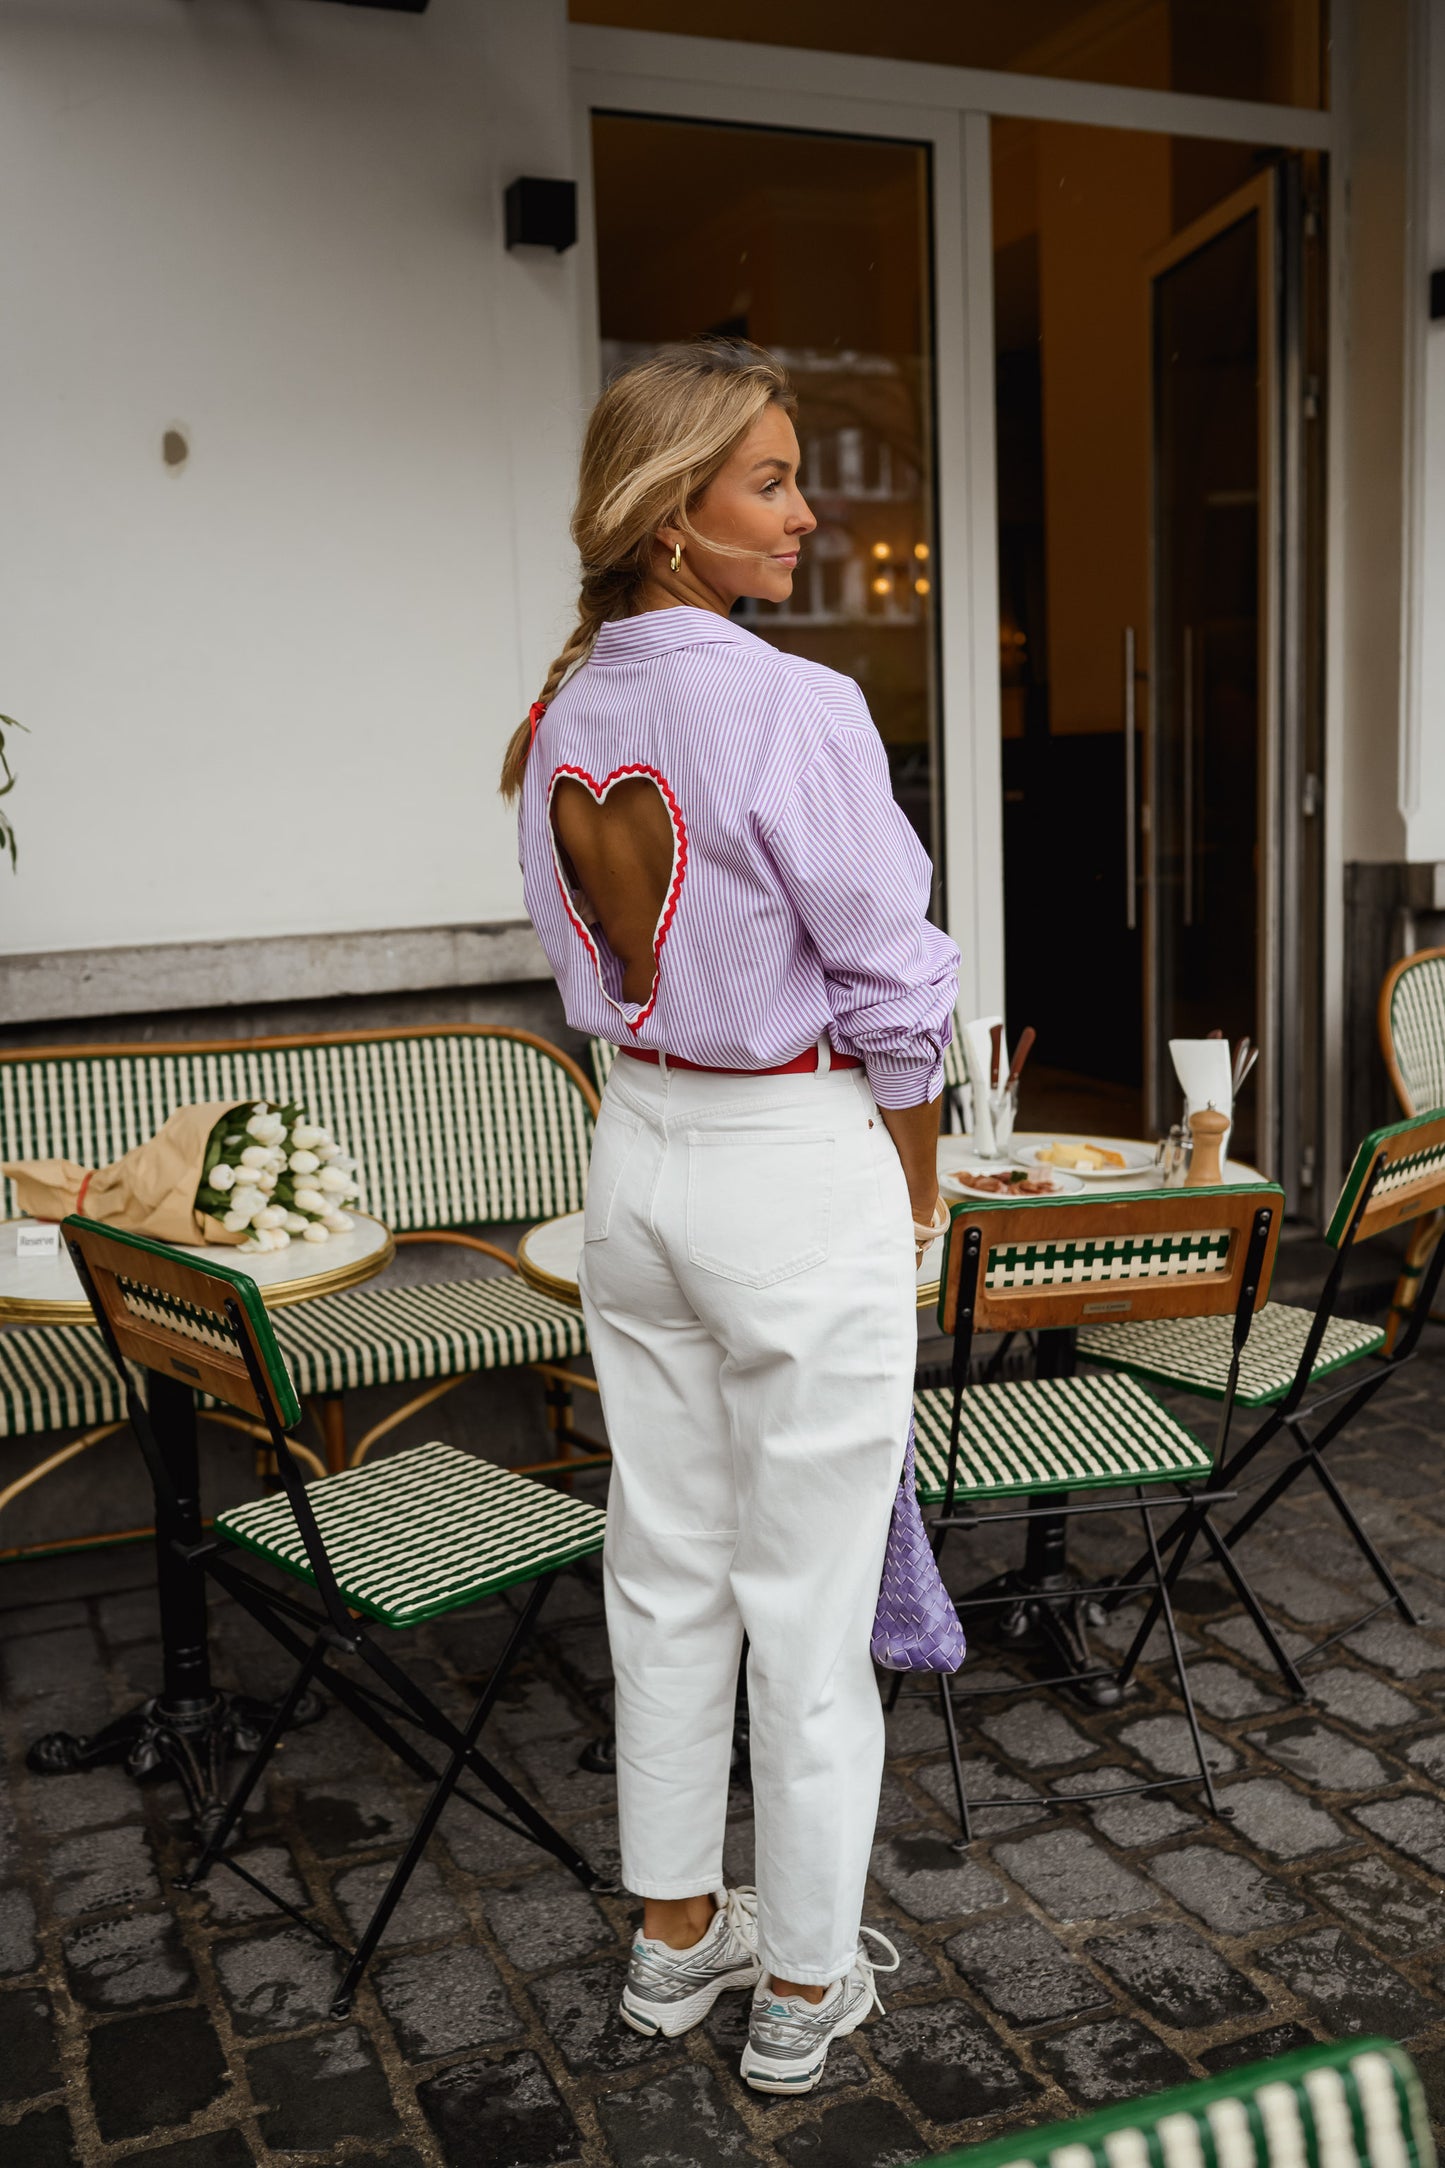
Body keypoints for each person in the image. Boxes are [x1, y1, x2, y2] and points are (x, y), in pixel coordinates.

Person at [504, 339, 959, 2095]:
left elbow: (585, 969)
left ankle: (677, 1939)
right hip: (785, 1160)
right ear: (669, 515)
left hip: (636, 1159)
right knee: (809, 1591)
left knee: (667, 1571)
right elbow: (894, 983)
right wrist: (910, 1187)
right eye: (769, 479)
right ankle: (806, 1984)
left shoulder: (560, 716)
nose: (805, 506)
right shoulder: (792, 705)